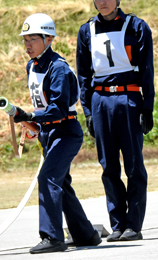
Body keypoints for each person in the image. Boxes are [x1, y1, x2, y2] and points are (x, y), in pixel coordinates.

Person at [13, 13, 101, 254]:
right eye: (25, 39)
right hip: (48, 132)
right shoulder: (32, 65)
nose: (28, 44)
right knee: (61, 182)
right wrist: (33, 125)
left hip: (65, 131)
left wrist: (32, 117)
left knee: (48, 177)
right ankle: (85, 234)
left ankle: (52, 237)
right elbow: (42, 104)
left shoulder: (59, 68)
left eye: (33, 39)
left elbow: (59, 109)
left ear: (49, 39)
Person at [76, 0, 155, 242]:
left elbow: (147, 71)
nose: (102, 2)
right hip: (100, 102)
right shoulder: (86, 30)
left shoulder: (137, 27)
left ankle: (134, 224)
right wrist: (87, 110)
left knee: (133, 165)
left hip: (129, 99)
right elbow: (83, 75)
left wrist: (148, 107)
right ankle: (118, 224)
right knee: (108, 166)